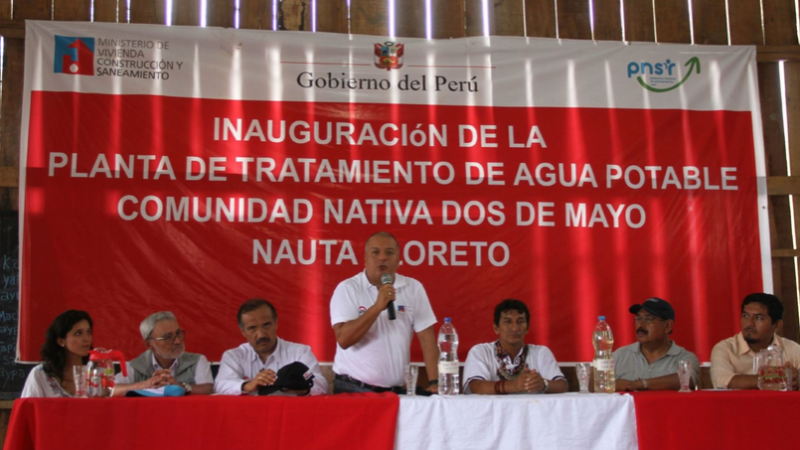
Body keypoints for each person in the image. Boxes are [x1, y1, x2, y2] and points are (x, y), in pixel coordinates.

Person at [330, 231, 439, 394]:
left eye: (389, 252)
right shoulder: (348, 288)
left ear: (398, 259)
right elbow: (344, 340)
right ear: (365, 259)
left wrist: (435, 382)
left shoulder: (413, 288)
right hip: (354, 389)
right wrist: (377, 307)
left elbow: (427, 338)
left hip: (396, 392)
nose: (382, 258)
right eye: (375, 252)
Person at [215, 298, 327, 395]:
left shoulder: (300, 352)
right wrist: (247, 385)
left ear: (276, 323)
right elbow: (220, 385)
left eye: (267, 325)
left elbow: (321, 386)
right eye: (252, 328)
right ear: (243, 331)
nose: (261, 334)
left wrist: (304, 388)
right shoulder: (234, 356)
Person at [463, 299, 568, 394]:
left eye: (520, 321)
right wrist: (513, 386)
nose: (515, 328)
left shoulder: (541, 353)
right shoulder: (481, 352)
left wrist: (543, 384)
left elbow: (562, 386)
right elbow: (476, 387)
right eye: (507, 321)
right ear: (496, 328)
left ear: (527, 328)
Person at [710, 293, 800, 389]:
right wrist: (777, 377)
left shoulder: (792, 349)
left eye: (758, 318)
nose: (749, 323)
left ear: (777, 325)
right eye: (745, 316)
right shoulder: (725, 349)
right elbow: (721, 381)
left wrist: (796, 380)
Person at [113, 311, 213, 396]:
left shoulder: (196, 361)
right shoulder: (135, 366)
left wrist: (179, 386)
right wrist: (146, 385)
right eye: (168, 337)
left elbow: (208, 389)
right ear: (149, 344)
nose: (177, 341)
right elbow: (111, 390)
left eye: (178, 333)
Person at [613, 297, 700, 391]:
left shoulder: (684, 357)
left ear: (668, 326)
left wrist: (639, 384)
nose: (640, 324)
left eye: (649, 319)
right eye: (638, 318)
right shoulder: (620, 356)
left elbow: (686, 380)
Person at [21, 310, 93, 397]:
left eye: (88, 332)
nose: (86, 338)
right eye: (78, 333)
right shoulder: (40, 374)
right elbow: (29, 405)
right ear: (61, 341)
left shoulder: (97, 373)